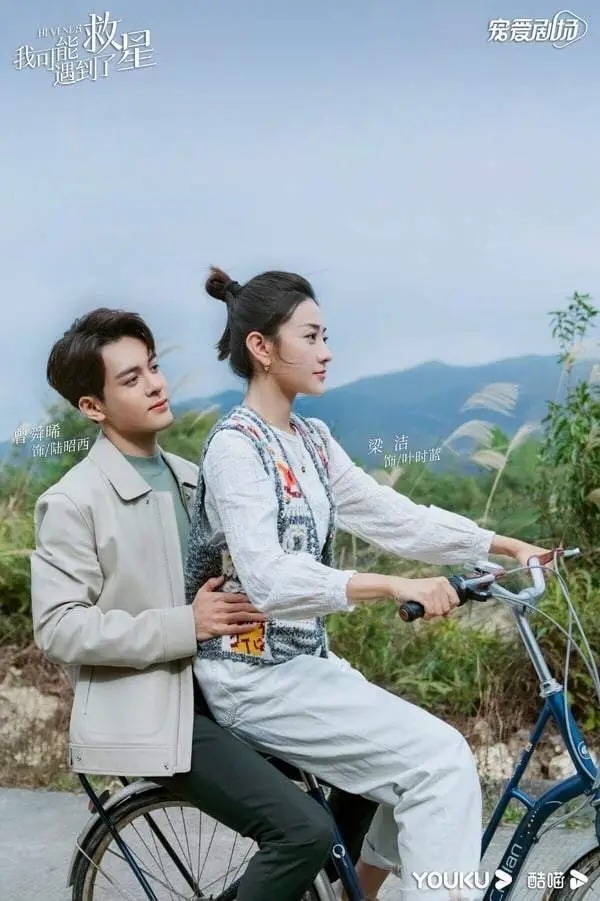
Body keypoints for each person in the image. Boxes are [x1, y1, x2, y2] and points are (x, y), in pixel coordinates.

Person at [184, 267, 552, 901]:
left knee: (423, 760)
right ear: (261, 348)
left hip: (305, 666)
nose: (326, 351)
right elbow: (268, 577)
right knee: (439, 762)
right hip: (251, 677)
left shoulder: (311, 440)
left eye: (326, 336)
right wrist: (390, 586)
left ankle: (363, 890)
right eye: (311, 337)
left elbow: (393, 516)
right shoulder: (235, 449)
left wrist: (501, 545)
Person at [30, 307, 345, 901]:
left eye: (153, 367)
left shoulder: (192, 476)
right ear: (92, 407)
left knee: (371, 774)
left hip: (233, 686)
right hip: (162, 710)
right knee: (303, 831)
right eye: (131, 379)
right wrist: (186, 624)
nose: (155, 384)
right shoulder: (73, 502)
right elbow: (59, 628)